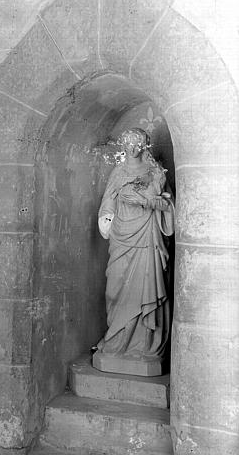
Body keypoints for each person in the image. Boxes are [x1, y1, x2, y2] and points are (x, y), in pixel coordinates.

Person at [94, 128, 174, 371]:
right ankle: (116, 341)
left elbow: (168, 204)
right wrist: (106, 221)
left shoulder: (155, 172)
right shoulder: (118, 172)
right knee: (115, 288)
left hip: (147, 239)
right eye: (127, 143)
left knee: (145, 289)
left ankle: (144, 346)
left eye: (136, 143)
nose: (131, 147)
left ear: (144, 145)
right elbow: (107, 202)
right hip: (121, 237)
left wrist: (145, 201)